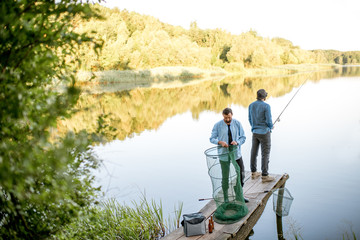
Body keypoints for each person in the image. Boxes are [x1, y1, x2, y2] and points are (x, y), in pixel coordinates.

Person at [210, 107, 248, 202]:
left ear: (232, 115)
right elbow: (212, 138)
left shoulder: (237, 123)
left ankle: (239, 194)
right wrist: (219, 142)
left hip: (236, 153)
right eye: (225, 117)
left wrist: (237, 142)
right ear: (223, 116)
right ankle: (226, 197)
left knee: (241, 173)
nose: (227, 119)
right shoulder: (217, 125)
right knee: (225, 176)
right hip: (224, 154)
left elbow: (243, 137)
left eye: (229, 117)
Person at [248, 89, 275, 182]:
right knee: (265, 154)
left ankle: (253, 172)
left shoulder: (251, 105)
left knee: (253, 152)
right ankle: (264, 175)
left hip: (255, 132)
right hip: (264, 133)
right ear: (264, 97)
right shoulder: (266, 106)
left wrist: (254, 127)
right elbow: (268, 120)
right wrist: (271, 126)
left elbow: (249, 118)